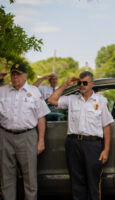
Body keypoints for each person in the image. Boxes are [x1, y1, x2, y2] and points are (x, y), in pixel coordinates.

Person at [47, 71, 113, 200]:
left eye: (85, 83)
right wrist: (65, 84)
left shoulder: (100, 101)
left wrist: (106, 150)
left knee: (93, 183)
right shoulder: (71, 99)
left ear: (92, 84)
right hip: (73, 144)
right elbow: (51, 100)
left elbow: (107, 126)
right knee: (77, 183)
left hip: (92, 145)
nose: (82, 85)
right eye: (79, 83)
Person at [0, 63, 50, 200]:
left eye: (18, 74)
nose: (15, 77)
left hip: (27, 137)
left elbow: (41, 117)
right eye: (13, 74)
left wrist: (41, 141)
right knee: (6, 177)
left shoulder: (34, 91)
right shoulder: (2, 91)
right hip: (5, 136)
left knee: (30, 179)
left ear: (25, 75)